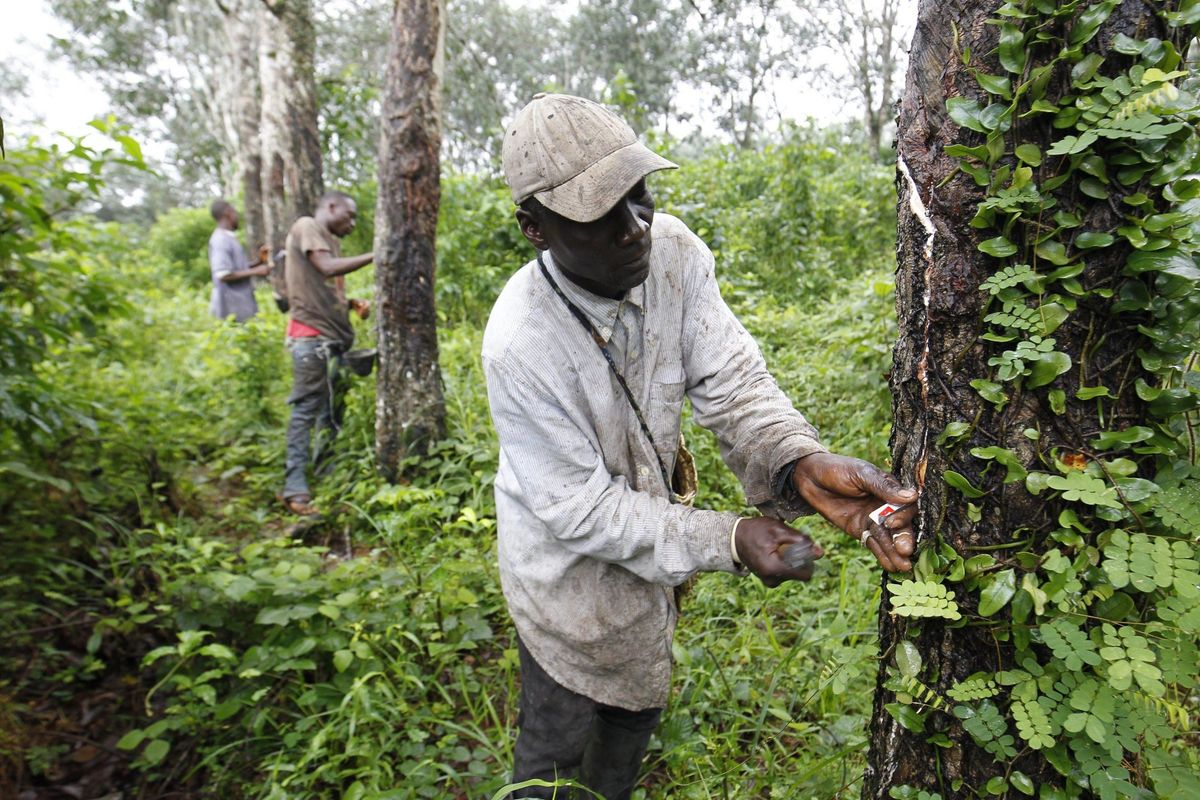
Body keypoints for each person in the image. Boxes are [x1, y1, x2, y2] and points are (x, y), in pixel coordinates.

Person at [483, 93, 919, 800]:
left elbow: (731, 380)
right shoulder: (519, 343)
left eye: (639, 195)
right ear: (535, 228)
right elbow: (582, 511)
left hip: (647, 560)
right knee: (556, 749)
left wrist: (799, 462)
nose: (635, 230)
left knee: (632, 715)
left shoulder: (675, 253)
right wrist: (731, 537)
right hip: (562, 580)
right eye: (599, 215)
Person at [280, 190, 374, 516]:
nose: (352, 223)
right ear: (331, 207)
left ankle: (325, 472)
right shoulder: (307, 226)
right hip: (311, 339)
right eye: (349, 216)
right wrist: (378, 253)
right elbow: (325, 268)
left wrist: (350, 303)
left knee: (330, 412)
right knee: (306, 409)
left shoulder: (327, 241)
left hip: (329, 339)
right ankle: (295, 488)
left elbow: (318, 287)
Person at [207, 200, 269, 322]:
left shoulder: (229, 238)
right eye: (235, 213)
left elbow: (235, 269)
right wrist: (256, 271)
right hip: (230, 310)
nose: (237, 217)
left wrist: (258, 262)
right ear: (227, 213)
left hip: (241, 306)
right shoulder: (220, 240)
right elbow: (223, 274)